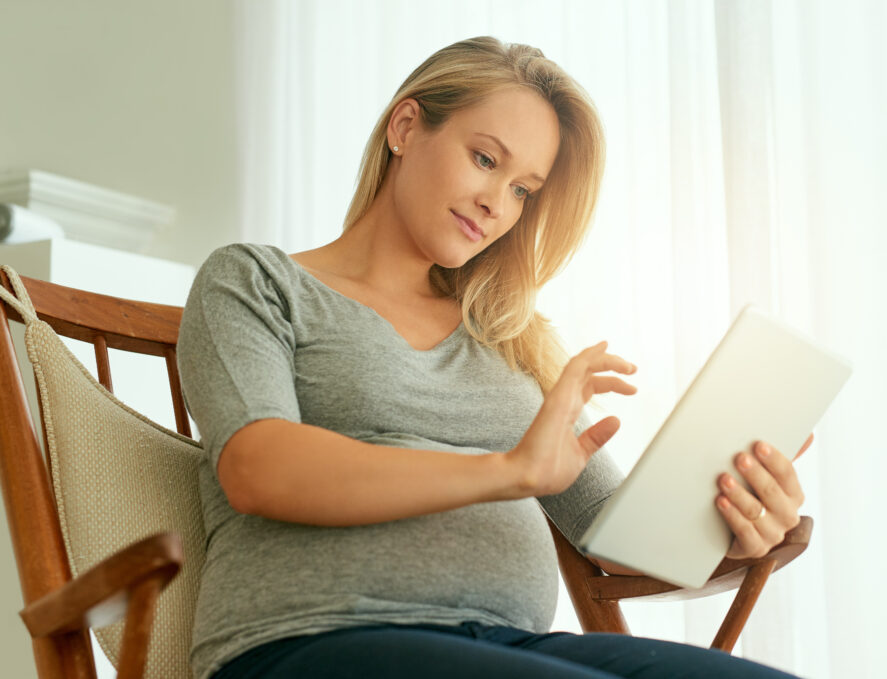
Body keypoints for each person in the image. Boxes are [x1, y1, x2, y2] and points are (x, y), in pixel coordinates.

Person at [176, 36, 807, 679]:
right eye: (484, 159)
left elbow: (616, 539)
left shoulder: (509, 336)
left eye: (524, 191)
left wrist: (733, 519)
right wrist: (507, 471)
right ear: (405, 126)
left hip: (506, 646)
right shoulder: (255, 282)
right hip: (308, 639)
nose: (496, 204)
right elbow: (257, 468)